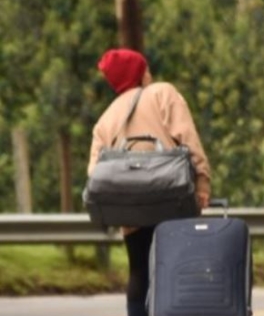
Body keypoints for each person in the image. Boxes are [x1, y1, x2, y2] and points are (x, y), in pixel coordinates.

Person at [87, 49, 211, 316]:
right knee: (178, 268)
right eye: (145, 69)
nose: (150, 74)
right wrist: (202, 180)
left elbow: (93, 172)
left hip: (131, 210)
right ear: (138, 74)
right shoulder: (162, 93)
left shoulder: (105, 119)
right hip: (171, 199)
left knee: (139, 271)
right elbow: (187, 138)